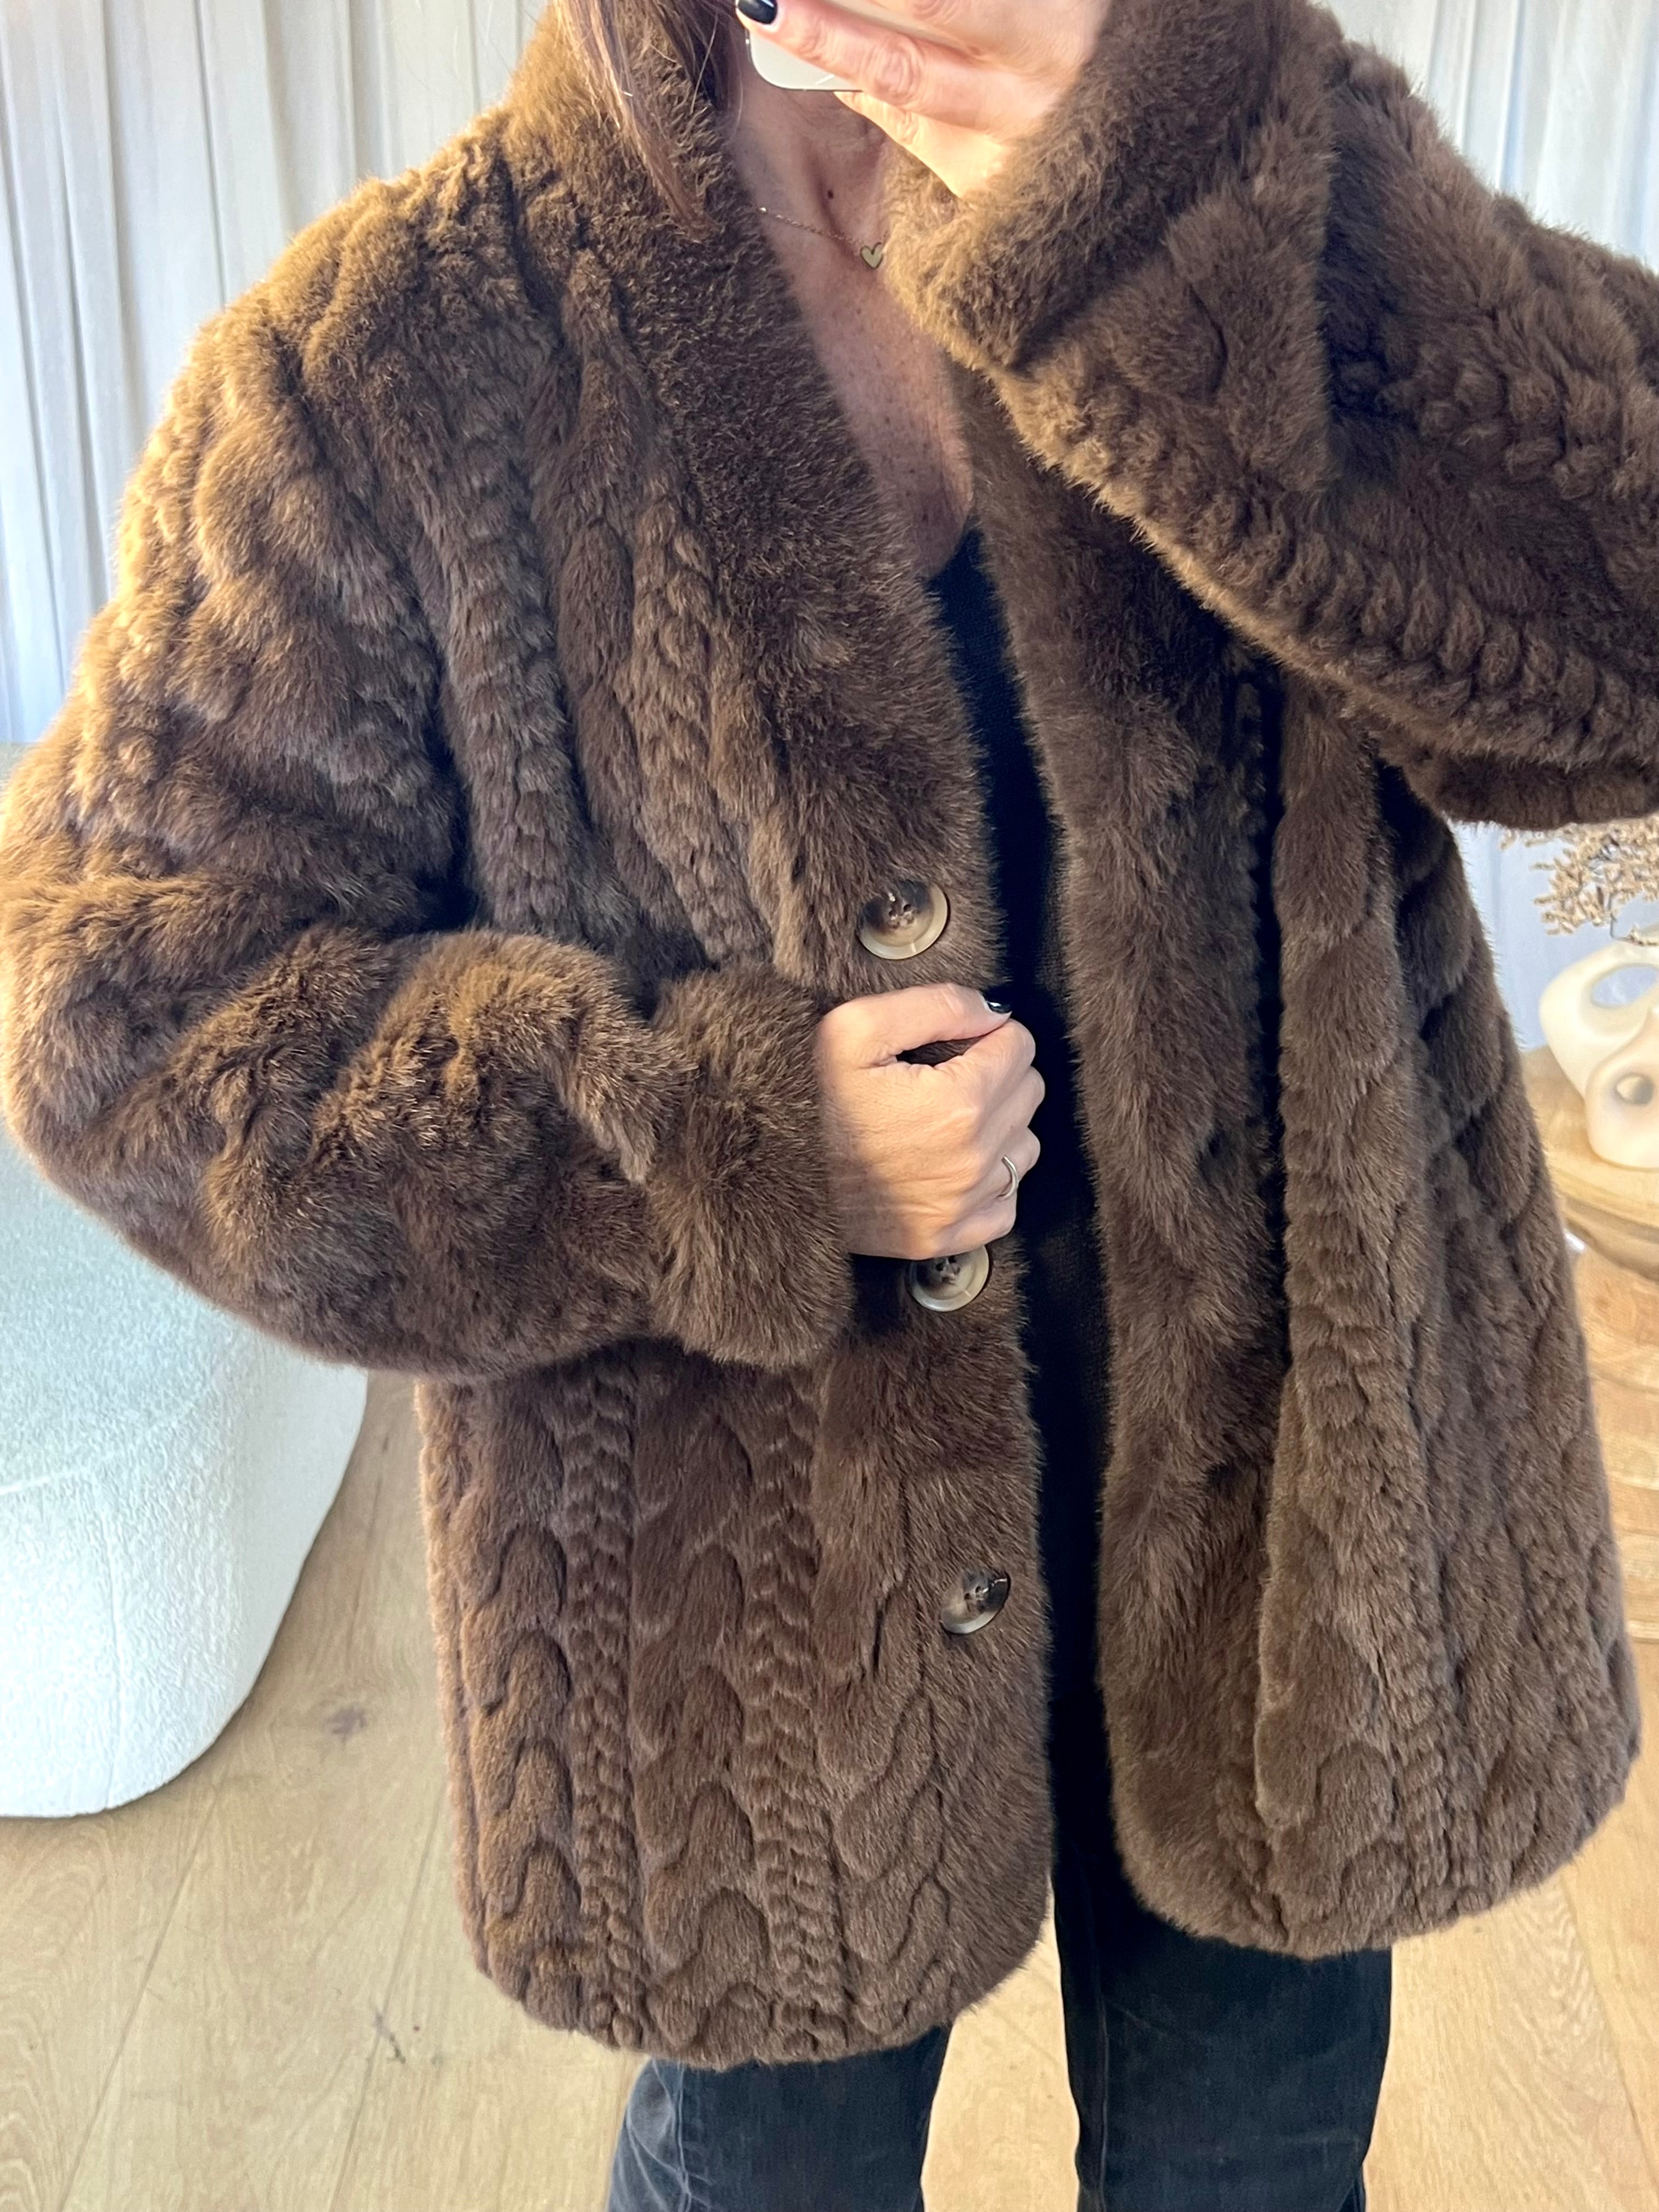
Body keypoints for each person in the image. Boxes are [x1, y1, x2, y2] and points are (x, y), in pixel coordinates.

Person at [0, 1, 1648, 2206]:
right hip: (733, 1609)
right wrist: (720, 1147)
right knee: (767, 2175)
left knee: (1254, 2160)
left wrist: (1177, 203)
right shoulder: (393, 356)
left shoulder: (1255, 165)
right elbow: (127, 1014)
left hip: (1290, 1512)